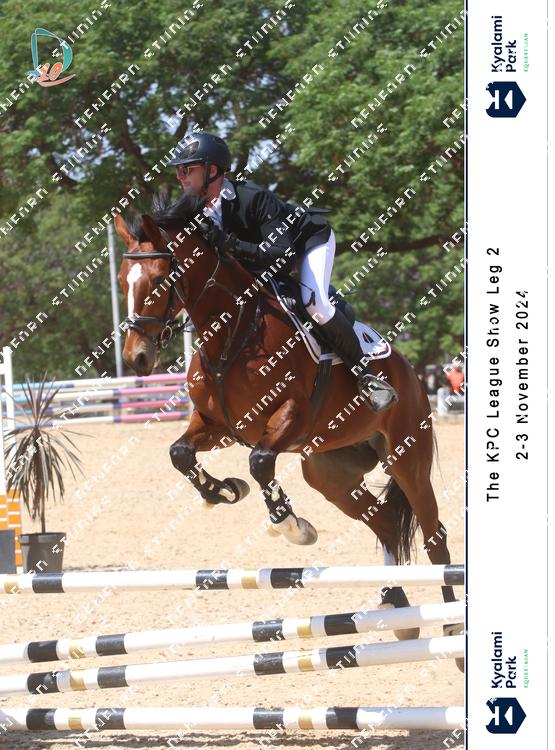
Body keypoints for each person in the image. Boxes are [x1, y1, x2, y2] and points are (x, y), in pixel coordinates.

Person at [168, 131, 398, 413]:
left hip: (307, 244)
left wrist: (231, 244)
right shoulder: (192, 211)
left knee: (315, 304)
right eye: (178, 171)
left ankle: (365, 376)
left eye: (186, 170)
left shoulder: (253, 198)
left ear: (212, 170)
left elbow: (282, 256)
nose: (180, 177)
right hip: (261, 262)